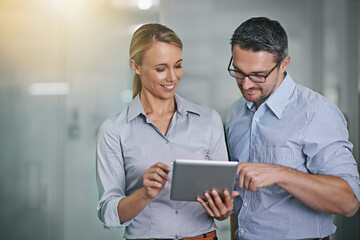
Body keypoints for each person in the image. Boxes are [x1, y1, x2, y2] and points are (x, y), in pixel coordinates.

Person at [225, 17, 360, 240]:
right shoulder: (235, 113)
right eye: (238, 71)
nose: (246, 84)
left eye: (258, 75)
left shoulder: (316, 112)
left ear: (284, 64)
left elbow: (349, 202)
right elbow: (238, 199)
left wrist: (279, 173)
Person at [96, 23, 234, 240]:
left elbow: (223, 203)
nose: (173, 77)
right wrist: (144, 194)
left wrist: (224, 209)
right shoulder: (115, 130)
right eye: (161, 69)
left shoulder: (208, 121)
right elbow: (108, 213)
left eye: (178, 65)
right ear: (136, 66)